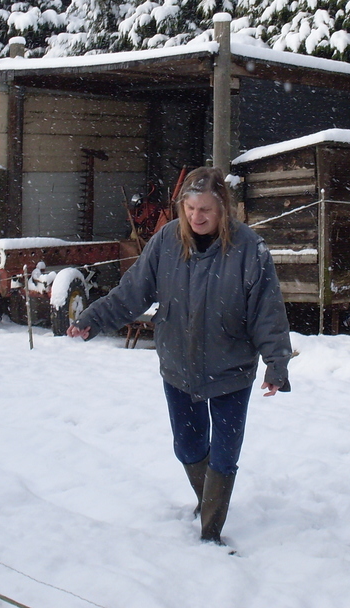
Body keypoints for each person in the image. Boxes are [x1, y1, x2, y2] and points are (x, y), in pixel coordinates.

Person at [67, 166, 292, 545]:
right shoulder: (167, 242)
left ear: (223, 209)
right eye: (189, 208)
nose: (196, 217)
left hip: (231, 368)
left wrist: (277, 363)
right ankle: (206, 500)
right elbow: (132, 292)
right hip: (178, 365)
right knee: (187, 447)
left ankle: (210, 529)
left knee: (224, 455)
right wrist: (93, 319)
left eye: (205, 209)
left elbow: (267, 311)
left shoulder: (249, 249)